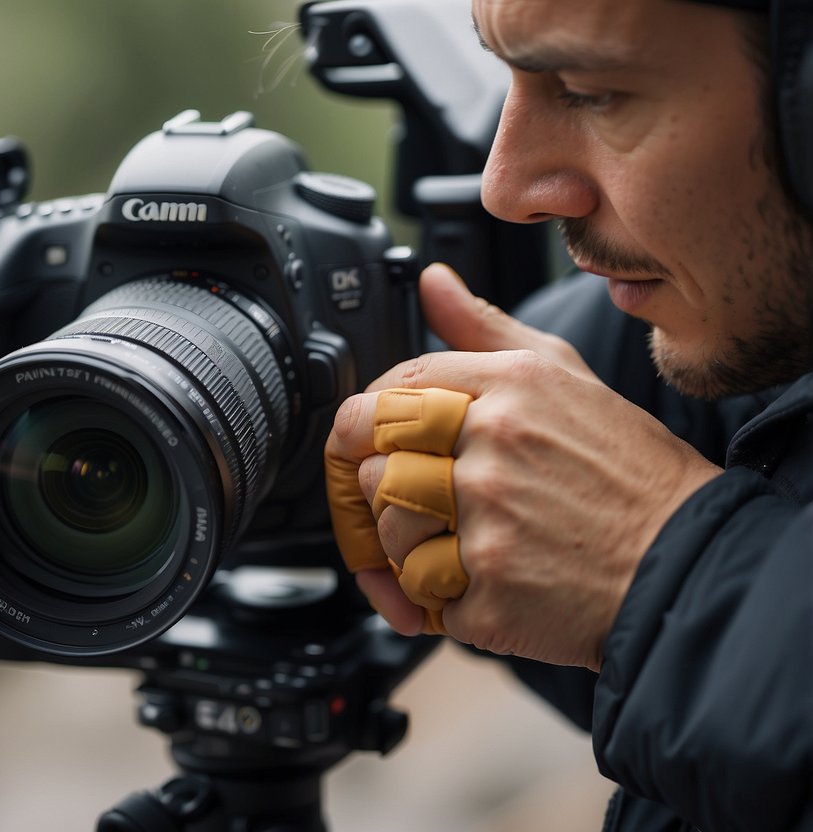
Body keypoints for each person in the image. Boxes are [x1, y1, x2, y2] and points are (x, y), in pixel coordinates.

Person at [323, 0, 813, 829]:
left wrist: (659, 579)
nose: (505, 187)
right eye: (504, 78)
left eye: (589, 92)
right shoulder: (746, 328)